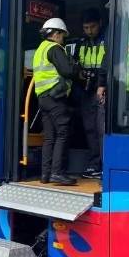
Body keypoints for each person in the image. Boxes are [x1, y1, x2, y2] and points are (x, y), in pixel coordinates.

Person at [33, 17, 82, 186]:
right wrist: (76, 66)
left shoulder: (40, 49)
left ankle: (45, 175)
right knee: (63, 133)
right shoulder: (54, 48)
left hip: (43, 98)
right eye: (62, 35)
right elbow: (67, 71)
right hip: (55, 98)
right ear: (55, 34)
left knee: (49, 138)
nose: (63, 39)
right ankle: (57, 173)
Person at [74, 8, 106, 179]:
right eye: (86, 28)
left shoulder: (107, 40)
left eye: (92, 27)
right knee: (90, 129)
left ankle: (105, 165)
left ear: (100, 23)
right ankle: (94, 165)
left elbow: (107, 65)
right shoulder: (81, 43)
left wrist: (102, 84)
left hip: (102, 90)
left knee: (102, 129)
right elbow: (76, 64)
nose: (89, 31)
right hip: (86, 91)